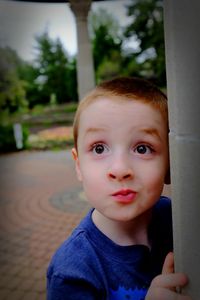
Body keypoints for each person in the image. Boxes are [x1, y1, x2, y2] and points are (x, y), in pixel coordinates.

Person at [47, 77, 191, 300]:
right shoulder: (72, 273)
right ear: (78, 165)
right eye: (99, 148)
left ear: (170, 165)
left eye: (142, 148)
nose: (120, 169)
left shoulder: (177, 220)